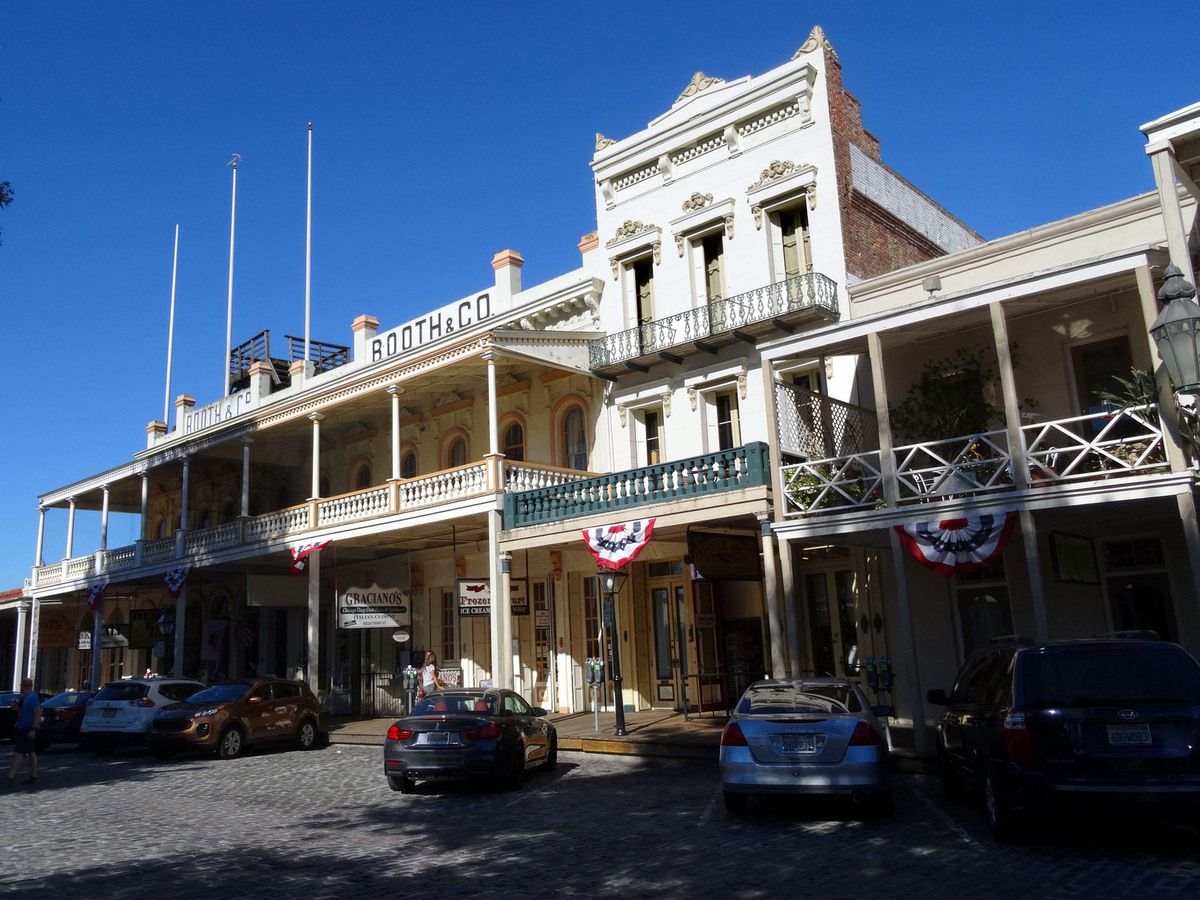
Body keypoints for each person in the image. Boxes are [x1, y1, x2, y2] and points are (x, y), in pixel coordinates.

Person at [8, 678, 42, 787]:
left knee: (19, 753)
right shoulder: (25, 697)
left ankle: (11, 777)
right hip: (23, 727)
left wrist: (34, 728)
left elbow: (37, 712)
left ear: (24, 686)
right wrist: (17, 708)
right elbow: (24, 712)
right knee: (31, 752)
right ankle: (34, 775)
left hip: (27, 729)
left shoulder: (32, 697)